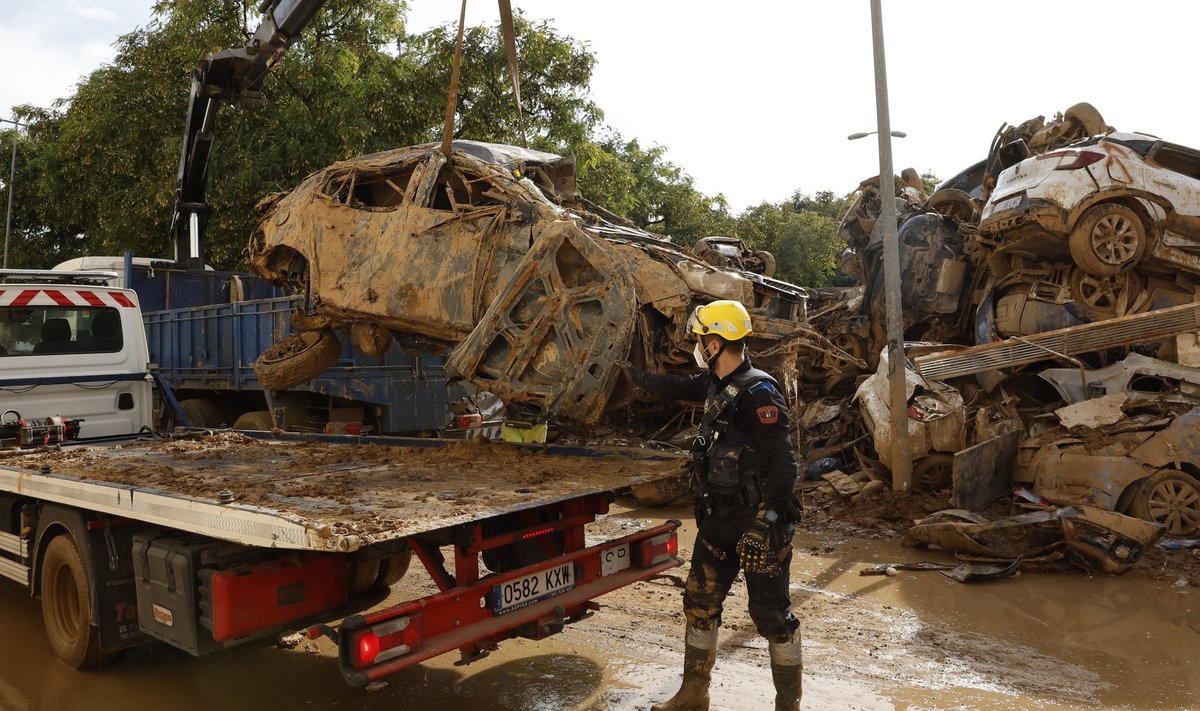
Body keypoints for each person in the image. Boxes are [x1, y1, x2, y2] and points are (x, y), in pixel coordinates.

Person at [628, 299, 802, 711]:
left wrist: (770, 518)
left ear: (716, 342)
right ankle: (693, 695)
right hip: (718, 519)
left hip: (758, 521)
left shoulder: (758, 390)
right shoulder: (716, 384)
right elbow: (677, 387)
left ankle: (788, 705)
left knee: (771, 617)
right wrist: (634, 377)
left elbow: (784, 461)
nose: (698, 345)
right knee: (699, 602)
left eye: (702, 338)